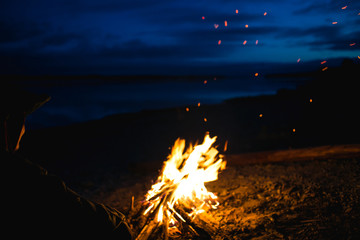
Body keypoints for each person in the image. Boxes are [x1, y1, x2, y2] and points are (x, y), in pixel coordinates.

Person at [1, 84, 133, 239]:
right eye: (21, 121)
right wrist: (118, 220)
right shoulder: (20, 174)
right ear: (9, 126)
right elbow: (72, 208)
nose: (24, 130)